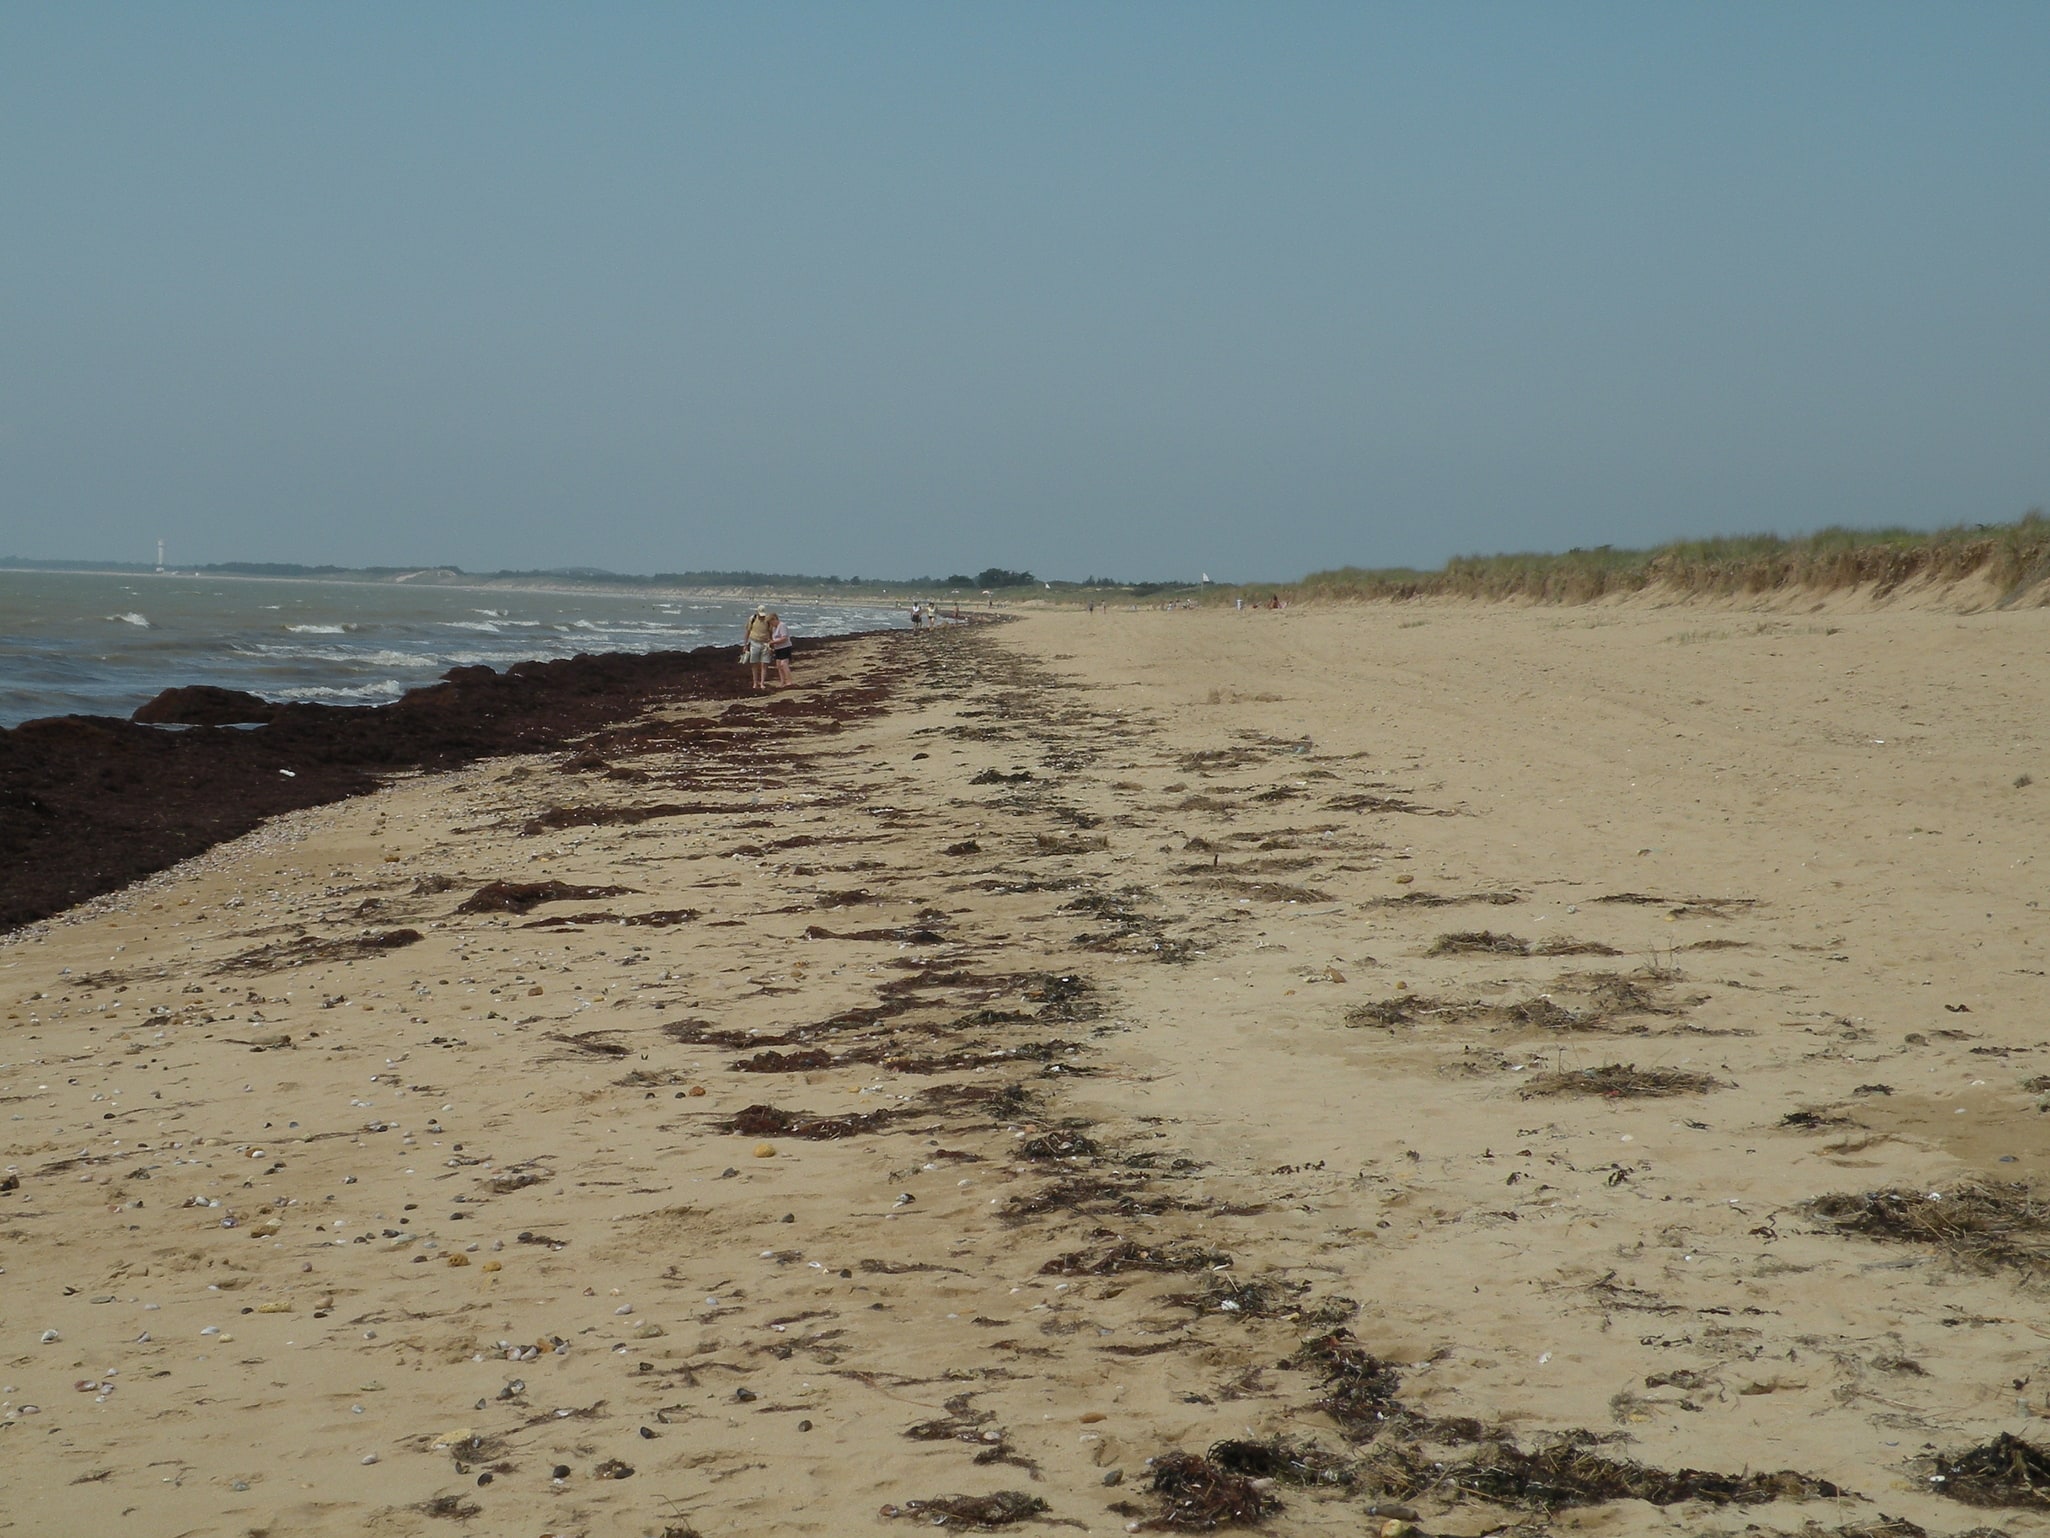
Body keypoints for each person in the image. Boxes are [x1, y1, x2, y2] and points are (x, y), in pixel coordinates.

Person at [742, 606, 774, 691]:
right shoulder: (752, 619)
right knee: (754, 663)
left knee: (764, 664)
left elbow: (771, 633)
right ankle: (755, 682)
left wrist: (771, 645)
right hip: (754, 642)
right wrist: (745, 645)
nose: (762, 616)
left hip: (765, 643)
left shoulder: (768, 620)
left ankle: (762, 683)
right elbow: (747, 632)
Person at [769, 613, 793, 686]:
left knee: (784, 664)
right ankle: (782, 681)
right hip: (778, 648)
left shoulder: (782, 625)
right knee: (778, 665)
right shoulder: (774, 628)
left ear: (775, 619)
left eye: (771, 622)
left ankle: (789, 681)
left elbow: (784, 638)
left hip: (785, 647)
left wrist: (773, 642)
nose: (771, 624)